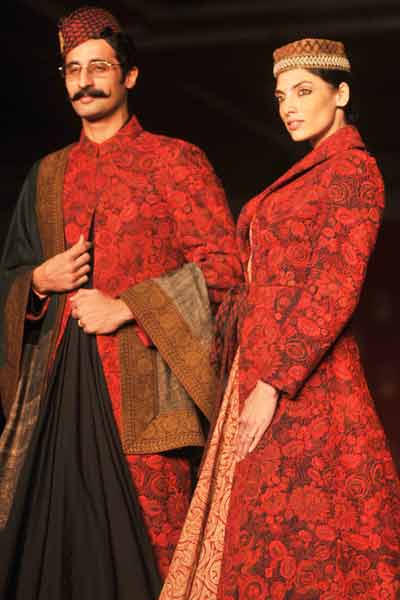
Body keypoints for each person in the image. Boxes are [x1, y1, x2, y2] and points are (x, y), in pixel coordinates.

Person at [0, 6, 242, 599]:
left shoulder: (175, 161)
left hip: (147, 404)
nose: (84, 82)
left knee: (154, 562)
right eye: (73, 69)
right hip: (53, 397)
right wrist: (39, 280)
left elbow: (226, 271)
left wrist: (127, 306)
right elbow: (12, 276)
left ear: (129, 76)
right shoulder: (46, 175)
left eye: (99, 67)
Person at [160, 38, 400, 599]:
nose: (288, 107)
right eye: (280, 96)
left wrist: (273, 382)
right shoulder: (312, 171)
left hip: (305, 379)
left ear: (341, 94)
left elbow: (334, 287)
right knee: (262, 526)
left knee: (295, 535)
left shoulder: (354, 171)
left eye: (303, 91)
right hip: (258, 366)